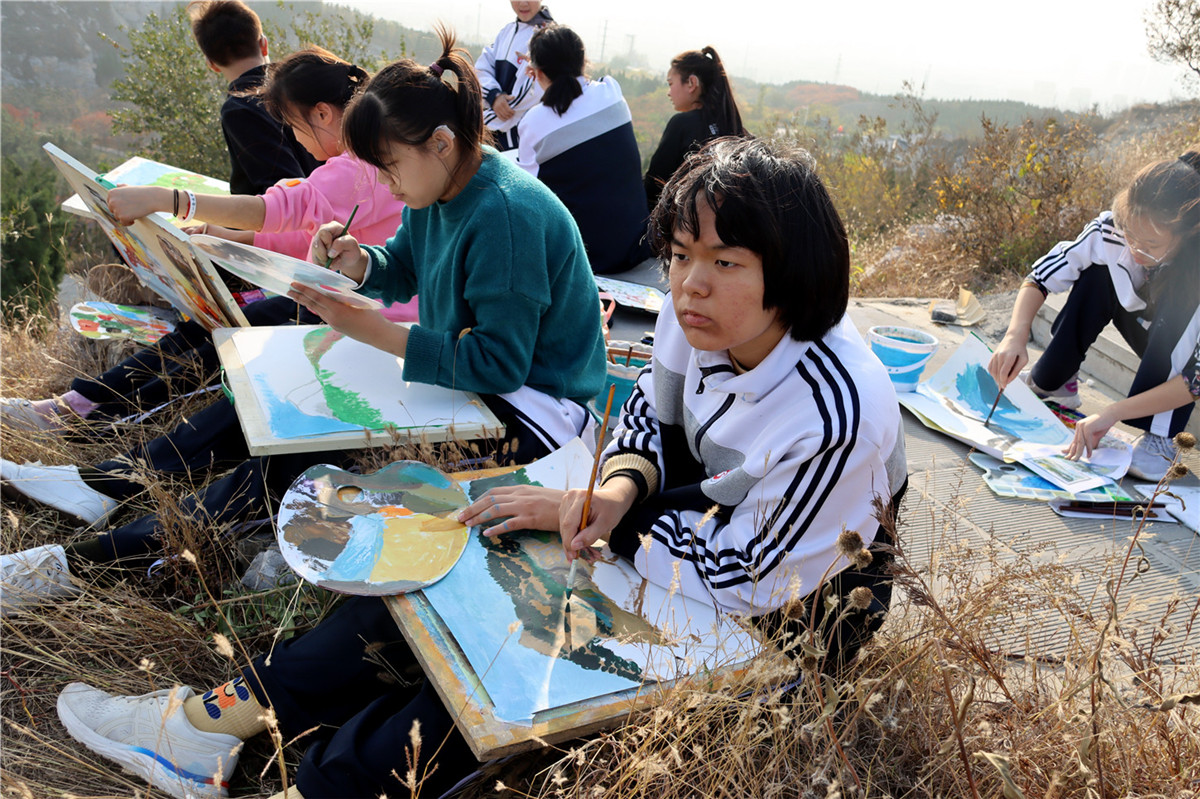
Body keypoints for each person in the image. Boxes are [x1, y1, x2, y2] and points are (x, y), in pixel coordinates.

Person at [50, 137, 901, 799]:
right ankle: (210, 723)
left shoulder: (834, 412)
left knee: (511, 665)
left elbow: (747, 576)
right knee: (455, 559)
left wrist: (594, 521)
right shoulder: (699, 312)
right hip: (682, 532)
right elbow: (648, 413)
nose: (687, 286)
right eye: (678, 255)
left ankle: (319, 782)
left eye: (724, 261)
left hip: (784, 616)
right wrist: (610, 492)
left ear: (791, 271)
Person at [2, 31, 606, 622]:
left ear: (442, 143)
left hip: (528, 412)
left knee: (310, 447)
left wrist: (371, 330)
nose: (389, 186)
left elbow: (499, 363)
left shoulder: (506, 214)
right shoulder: (446, 186)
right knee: (280, 407)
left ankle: (85, 562)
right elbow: (401, 269)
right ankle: (103, 498)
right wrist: (358, 263)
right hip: (470, 386)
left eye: (390, 169)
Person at [0, 48, 412, 443]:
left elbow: (280, 209)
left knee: (227, 341)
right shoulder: (365, 160)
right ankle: (75, 404)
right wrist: (228, 237)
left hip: (369, 320)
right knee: (214, 326)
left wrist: (170, 200)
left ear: (323, 113)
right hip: (341, 302)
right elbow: (304, 229)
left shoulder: (356, 168)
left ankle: (83, 414)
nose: (298, 141)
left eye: (296, 128)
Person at [988, 149, 1200, 481]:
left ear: (1188, 235)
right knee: (1098, 272)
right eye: (1130, 234)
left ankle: (1160, 436)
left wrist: (1112, 413)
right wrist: (1014, 336)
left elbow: (1195, 380)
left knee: (1184, 304)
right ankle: (1055, 383)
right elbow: (1040, 277)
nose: (1135, 250)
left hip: (1182, 350)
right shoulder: (1111, 230)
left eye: (1150, 244)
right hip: (1146, 325)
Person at [517, 23, 650, 274]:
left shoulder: (533, 122)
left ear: (536, 72)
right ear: (583, 61)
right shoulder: (611, 91)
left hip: (584, 258)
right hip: (636, 245)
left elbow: (526, 195)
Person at [188, 0, 320, 194]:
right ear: (264, 44)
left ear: (211, 64)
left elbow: (286, 190)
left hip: (293, 219)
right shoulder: (304, 81)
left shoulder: (240, 109)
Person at [643, 46, 747, 210]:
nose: (668, 93)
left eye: (671, 83)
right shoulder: (738, 131)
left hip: (685, 226)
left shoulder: (682, 124)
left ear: (691, 83)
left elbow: (655, 184)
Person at [476, 0, 554, 151]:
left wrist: (481, 118)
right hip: (493, 135)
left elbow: (531, 93)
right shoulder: (507, 31)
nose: (522, 3)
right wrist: (494, 96)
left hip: (522, 141)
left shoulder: (548, 36)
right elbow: (481, 69)